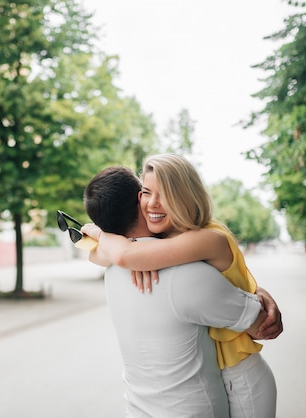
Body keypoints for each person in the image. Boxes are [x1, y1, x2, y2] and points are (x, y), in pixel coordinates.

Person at [82, 156, 279, 418]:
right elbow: (104, 254)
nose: (152, 203)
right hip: (219, 378)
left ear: (185, 195)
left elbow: (122, 256)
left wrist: (103, 235)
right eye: (146, 192)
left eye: (165, 194)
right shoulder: (167, 247)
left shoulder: (205, 239)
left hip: (240, 373)